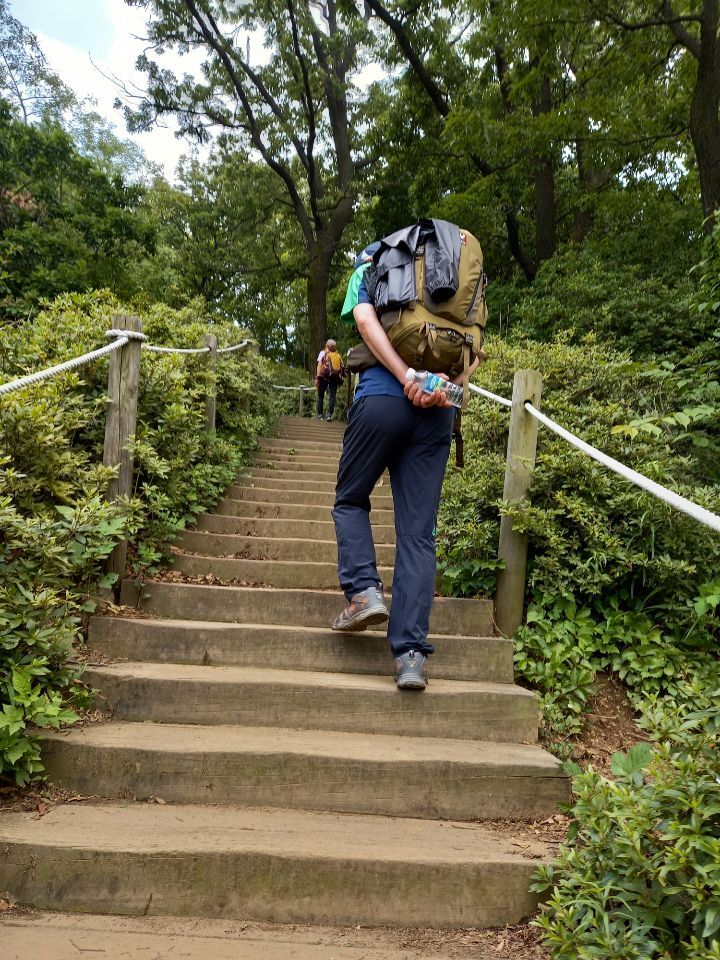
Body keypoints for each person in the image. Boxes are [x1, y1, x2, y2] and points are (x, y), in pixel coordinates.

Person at [330, 268, 480, 690]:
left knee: (350, 499)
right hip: (437, 410)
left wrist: (405, 377)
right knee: (418, 533)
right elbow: (473, 347)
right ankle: (411, 656)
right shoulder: (460, 270)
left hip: (381, 397)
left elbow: (364, 319)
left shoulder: (373, 261)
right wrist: (441, 385)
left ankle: (364, 591)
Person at [315, 339, 345, 421]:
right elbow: (342, 366)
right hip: (334, 377)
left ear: (327, 345)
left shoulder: (322, 353)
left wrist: (317, 377)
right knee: (332, 395)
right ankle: (329, 415)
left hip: (324, 377)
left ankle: (320, 415)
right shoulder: (337, 355)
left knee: (321, 396)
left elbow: (319, 365)